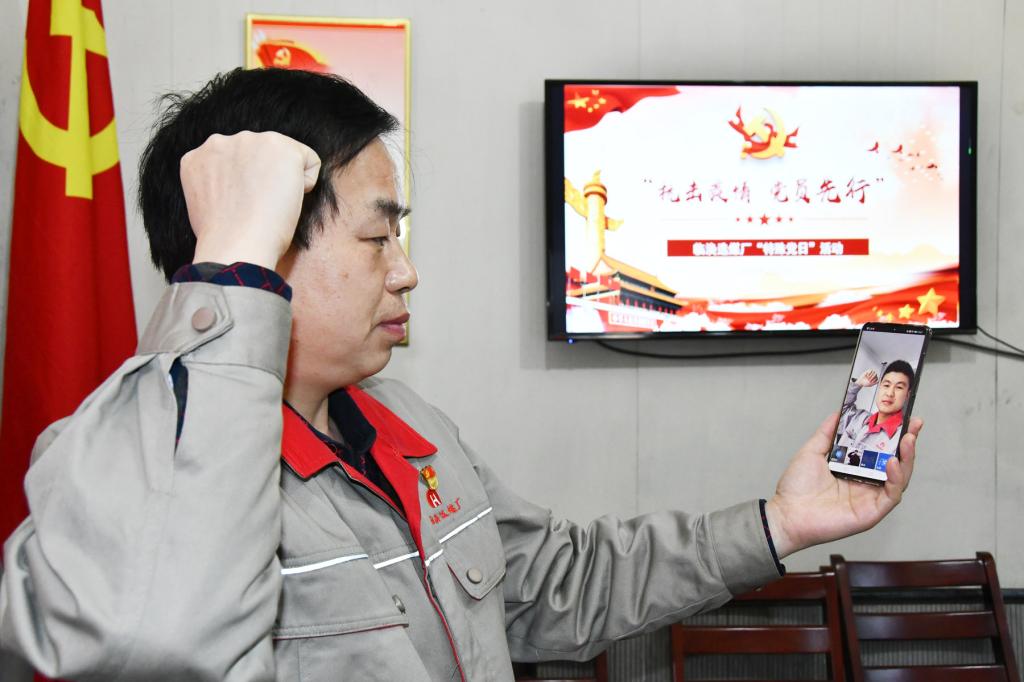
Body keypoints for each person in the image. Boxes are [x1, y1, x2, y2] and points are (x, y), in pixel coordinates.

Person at [0, 68, 920, 681]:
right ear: (268, 245)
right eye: (377, 237)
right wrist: (231, 267)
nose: (405, 271)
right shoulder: (132, 461)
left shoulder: (405, 426)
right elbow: (150, 638)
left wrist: (781, 522)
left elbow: (559, 583)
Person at [837, 361, 915, 467]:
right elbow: (841, 410)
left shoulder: (900, 438)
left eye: (899, 387)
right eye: (886, 385)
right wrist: (858, 383)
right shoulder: (859, 417)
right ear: (879, 388)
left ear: (907, 395)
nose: (889, 393)